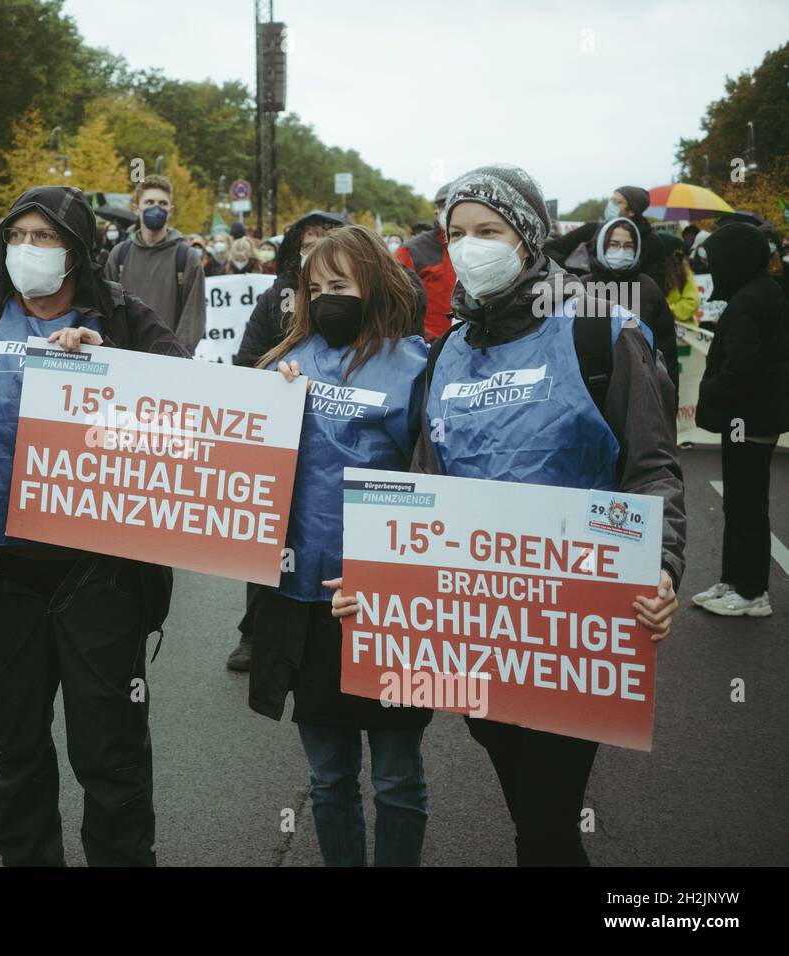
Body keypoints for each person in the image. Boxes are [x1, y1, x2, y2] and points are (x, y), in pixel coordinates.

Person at [334, 164, 685, 867]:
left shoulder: (601, 332)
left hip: (573, 624)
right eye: (456, 233)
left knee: (548, 822)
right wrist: (378, 584)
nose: (469, 247)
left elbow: (651, 469)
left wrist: (663, 565)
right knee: (529, 810)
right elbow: (426, 484)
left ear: (526, 238)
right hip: (481, 631)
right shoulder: (449, 351)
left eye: (487, 231)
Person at [0, 185, 184, 866]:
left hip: (99, 572)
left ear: (76, 252)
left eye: (44, 238)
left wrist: (110, 360)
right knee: (17, 745)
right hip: (5, 573)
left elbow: (182, 397)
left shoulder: (123, 317)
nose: (28, 250)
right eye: (16, 236)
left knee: (108, 751)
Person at [253, 225, 432, 866]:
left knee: (395, 776)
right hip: (305, 601)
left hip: (384, 604)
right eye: (316, 286)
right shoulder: (284, 360)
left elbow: (439, 485)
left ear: (374, 285)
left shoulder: (418, 365)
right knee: (329, 778)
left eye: (341, 285)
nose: (327, 297)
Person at [226, 210, 345, 671]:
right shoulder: (276, 299)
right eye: (308, 242)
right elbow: (247, 361)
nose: (317, 250)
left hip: (341, 448)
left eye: (328, 240)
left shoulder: (369, 297)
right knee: (268, 536)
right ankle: (256, 633)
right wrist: (278, 381)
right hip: (283, 439)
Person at [692, 222, 789, 618]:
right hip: (753, 417)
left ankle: (751, 591)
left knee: (745, 505)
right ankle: (735, 581)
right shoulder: (762, 293)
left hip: (747, 418)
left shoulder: (749, 301)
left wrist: (710, 389)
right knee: (741, 502)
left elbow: (741, 368)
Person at [104, 174, 206, 354]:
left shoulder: (186, 257)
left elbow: (192, 317)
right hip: (125, 358)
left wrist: (177, 357)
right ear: (136, 209)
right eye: (149, 202)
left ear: (171, 210)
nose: (156, 208)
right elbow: (106, 309)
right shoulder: (119, 254)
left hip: (168, 362)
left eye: (163, 204)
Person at [584, 215, 679, 398]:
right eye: (613, 244)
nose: (621, 251)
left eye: (628, 246)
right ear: (602, 246)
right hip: (593, 395)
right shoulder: (583, 288)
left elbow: (667, 350)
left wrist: (669, 399)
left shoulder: (649, 288)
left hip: (642, 392)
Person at [546, 185, 666, 289]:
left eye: (617, 202)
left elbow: (655, 283)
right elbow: (548, 248)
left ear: (631, 212)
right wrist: (572, 271)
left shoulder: (653, 243)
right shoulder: (592, 230)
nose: (611, 205)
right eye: (611, 200)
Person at [395, 184, 457, 340]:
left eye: (456, 203)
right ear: (437, 210)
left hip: (475, 344)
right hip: (428, 346)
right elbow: (396, 306)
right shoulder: (410, 251)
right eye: (445, 205)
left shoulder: (481, 247)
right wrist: (426, 339)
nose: (451, 210)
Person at [656, 233, 700, 327]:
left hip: (682, 331)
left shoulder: (683, 272)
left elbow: (692, 302)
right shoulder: (650, 271)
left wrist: (667, 313)